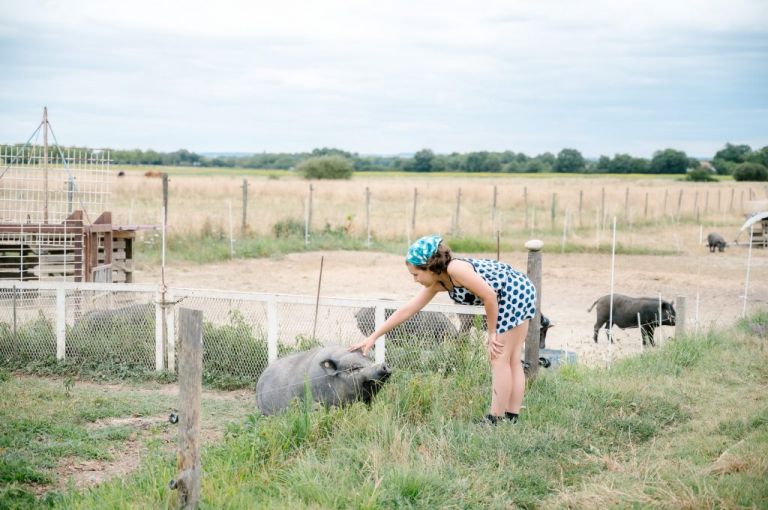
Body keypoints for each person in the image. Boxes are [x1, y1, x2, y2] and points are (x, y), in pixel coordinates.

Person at [348, 234, 537, 424]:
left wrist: (492, 333)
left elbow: (489, 295)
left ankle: (495, 418)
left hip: (512, 293)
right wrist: (373, 336)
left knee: (498, 357)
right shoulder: (439, 283)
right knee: (511, 359)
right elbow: (407, 310)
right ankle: (511, 418)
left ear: (429, 267)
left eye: (416, 274)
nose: (415, 280)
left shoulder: (455, 269)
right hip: (517, 290)